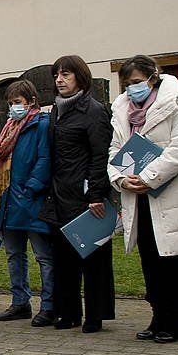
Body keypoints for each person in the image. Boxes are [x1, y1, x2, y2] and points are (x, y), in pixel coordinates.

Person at [109, 56, 178, 343]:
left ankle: (175, 318)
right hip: (137, 194)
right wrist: (121, 178)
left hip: (172, 191)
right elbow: (114, 149)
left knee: (173, 255)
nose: (132, 89)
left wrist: (149, 177)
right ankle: (157, 314)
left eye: (136, 82)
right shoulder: (121, 108)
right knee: (149, 255)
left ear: (153, 77)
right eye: (127, 84)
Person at [42, 55, 116, 333]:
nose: (59, 80)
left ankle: (95, 316)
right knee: (64, 257)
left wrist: (97, 192)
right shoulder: (56, 111)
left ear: (80, 78)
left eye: (66, 75)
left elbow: (100, 154)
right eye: (56, 75)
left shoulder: (93, 110)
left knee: (93, 257)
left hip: (87, 195)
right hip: (60, 192)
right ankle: (68, 312)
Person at [0, 80, 55, 326]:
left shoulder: (41, 124)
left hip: (31, 199)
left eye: (17, 102)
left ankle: (48, 304)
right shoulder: (10, 127)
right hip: (8, 199)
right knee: (14, 254)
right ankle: (20, 302)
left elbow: (43, 158)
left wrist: (30, 189)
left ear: (31, 101)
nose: (13, 108)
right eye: (10, 103)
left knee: (43, 255)